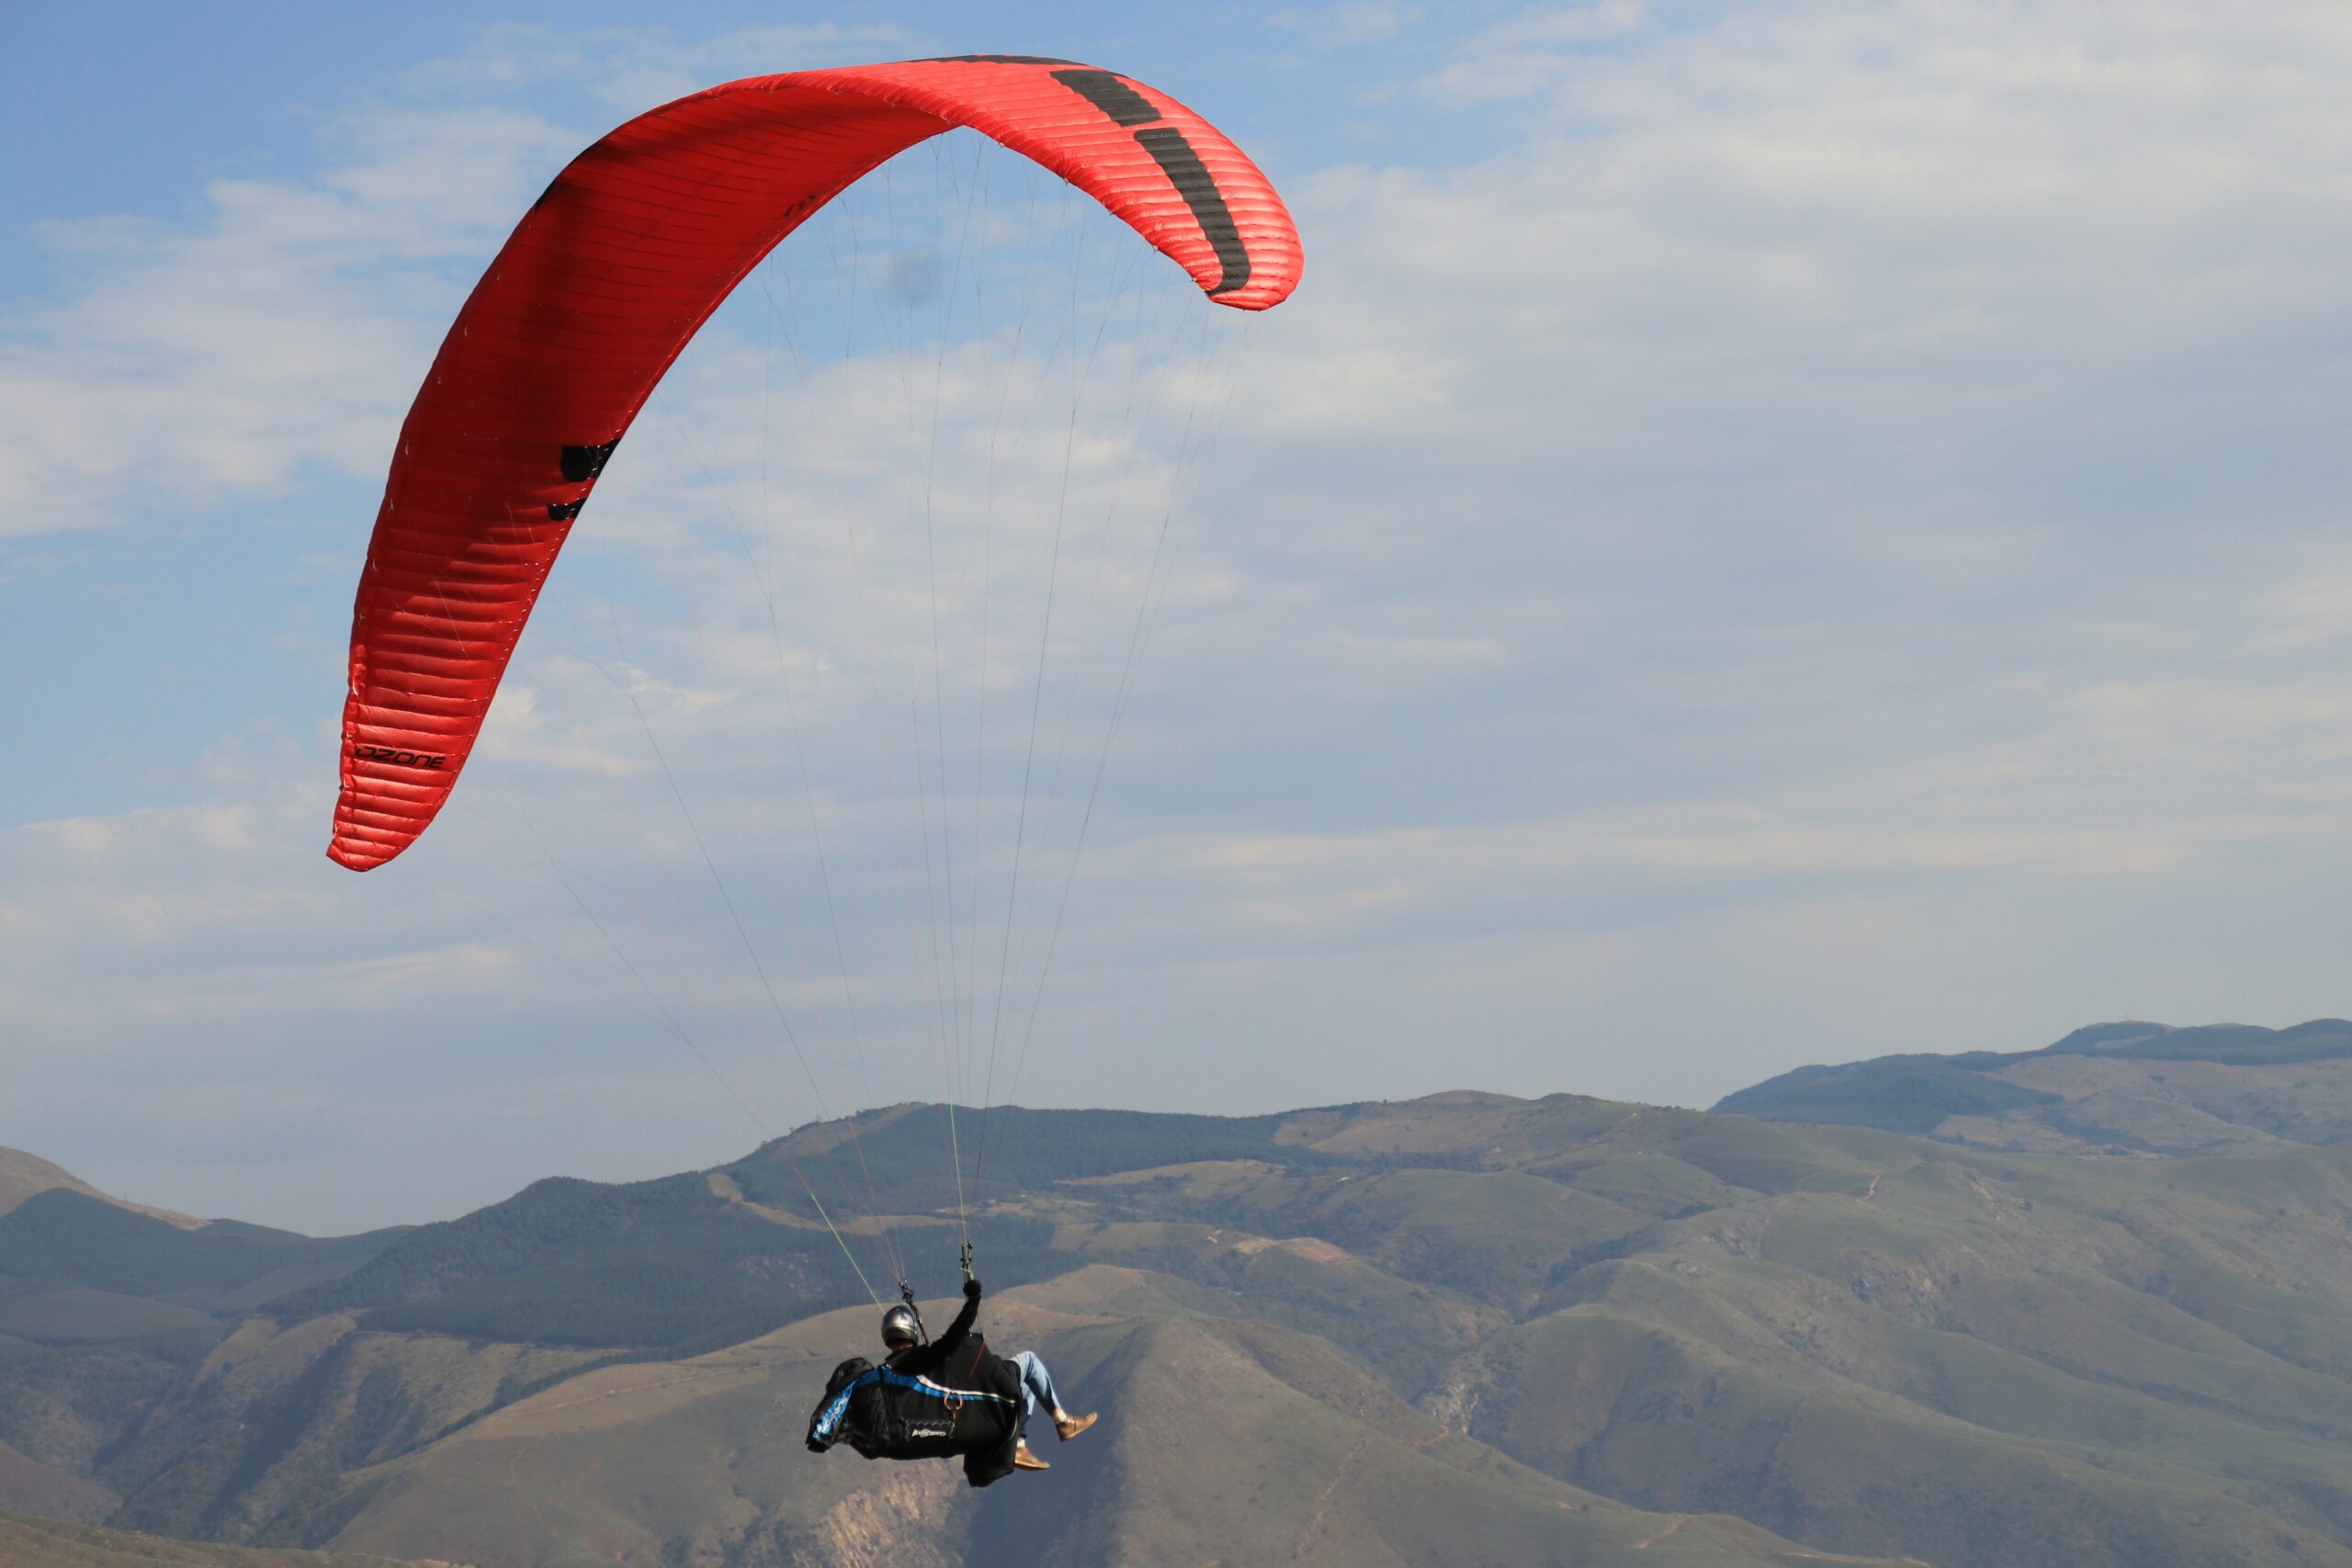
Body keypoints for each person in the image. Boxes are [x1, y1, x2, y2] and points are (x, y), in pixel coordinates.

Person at [807, 1277, 1098, 1486]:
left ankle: (1020, 1441)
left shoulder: (891, 1372)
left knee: (1020, 1390)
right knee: (1029, 1363)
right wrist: (973, 1301)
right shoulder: (919, 1360)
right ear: (911, 1334)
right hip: (960, 1413)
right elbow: (953, 1337)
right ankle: (1061, 1421)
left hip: (917, 1432)